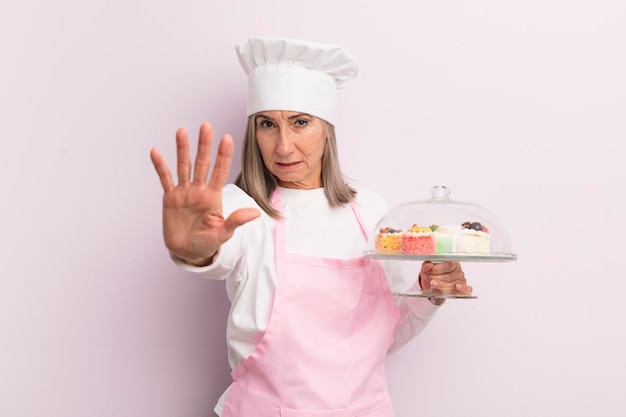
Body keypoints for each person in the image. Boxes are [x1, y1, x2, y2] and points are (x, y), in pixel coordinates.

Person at [150, 37, 472, 417]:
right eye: (268, 125)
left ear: (327, 130)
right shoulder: (242, 207)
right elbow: (220, 249)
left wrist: (429, 292)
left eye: (300, 123)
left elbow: (388, 334)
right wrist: (195, 250)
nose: (283, 147)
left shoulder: (370, 211)